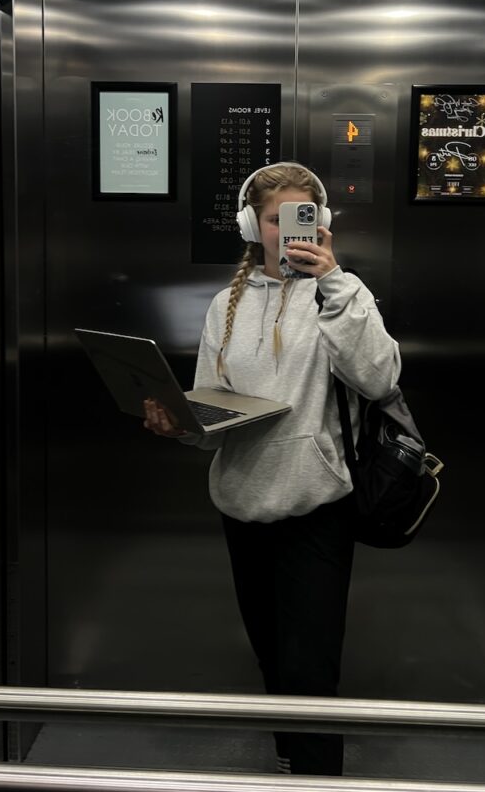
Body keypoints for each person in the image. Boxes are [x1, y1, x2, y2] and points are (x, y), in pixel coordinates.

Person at [143, 162, 400, 776]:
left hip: (318, 504)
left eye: (302, 217)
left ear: (324, 222)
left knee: (311, 666)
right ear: (247, 225)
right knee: (272, 654)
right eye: (274, 218)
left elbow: (380, 378)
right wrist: (179, 425)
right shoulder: (222, 308)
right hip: (242, 502)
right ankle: (292, 760)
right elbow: (213, 418)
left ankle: (316, 780)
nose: (289, 231)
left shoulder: (342, 294)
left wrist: (334, 281)